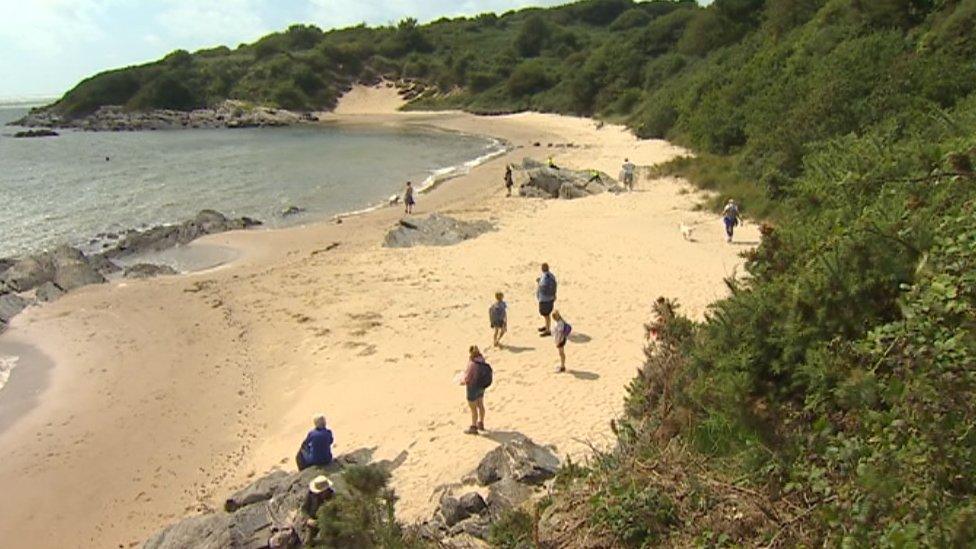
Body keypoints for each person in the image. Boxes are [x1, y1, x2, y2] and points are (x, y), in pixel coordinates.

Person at [461, 345, 489, 434]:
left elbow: (467, 378)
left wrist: (462, 381)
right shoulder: (483, 361)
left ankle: (473, 427)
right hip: (481, 387)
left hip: (472, 388)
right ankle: (481, 423)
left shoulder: (472, 364)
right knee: (481, 404)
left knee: (473, 408)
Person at [300, 475, 335, 543]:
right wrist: (308, 519)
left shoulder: (333, 497)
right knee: (309, 541)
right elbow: (304, 509)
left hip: (327, 523)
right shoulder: (311, 494)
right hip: (313, 522)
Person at [536, 263, 557, 337]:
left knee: (546, 314)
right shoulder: (551, 276)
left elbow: (542, 288)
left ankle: (548, 330)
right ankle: (546, 326)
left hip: (544, 299)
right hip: (551, 298)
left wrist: (538, 283)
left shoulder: (544, 277)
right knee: (546, 314)